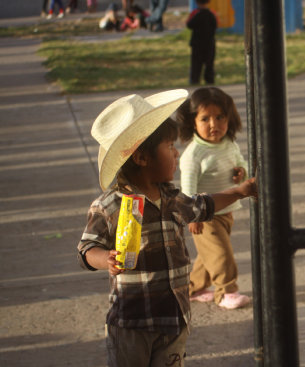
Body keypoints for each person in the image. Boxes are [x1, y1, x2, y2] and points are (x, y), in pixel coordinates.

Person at [77, 89, 257, 366]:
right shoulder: (109, 205)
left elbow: (204, 204)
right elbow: (88, 247)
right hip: (132, 322)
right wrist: (106, 259)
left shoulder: (172, 199)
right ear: (141, 157)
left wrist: (239, 192)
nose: (176, 153)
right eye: (169, 146)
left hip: (173, 317)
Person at [174, 87, 251, 310]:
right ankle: (227, 292)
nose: (213, 124)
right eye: (205, 119)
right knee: (221, 255)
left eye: (220, 117)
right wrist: (192, 216)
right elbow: (188, 190)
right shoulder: (194, 154)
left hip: (226, 211)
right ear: (193, 122)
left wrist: (241, 172)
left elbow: (241, 163)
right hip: (204, 216)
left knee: (210, 255)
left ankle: (193, 288)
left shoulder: (229, 144)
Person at [186, 0, 218, 85]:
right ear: (208, 2)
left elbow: (189, 24)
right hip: (209, 43)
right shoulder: (212, 13)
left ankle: (194, 80)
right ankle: (210, 80)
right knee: (209, 63)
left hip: (197, 43)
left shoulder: (195, 13)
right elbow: (215, 25)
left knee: (196, 64)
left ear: (197, 3)